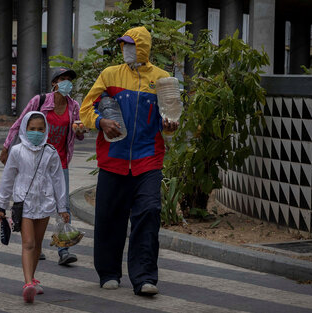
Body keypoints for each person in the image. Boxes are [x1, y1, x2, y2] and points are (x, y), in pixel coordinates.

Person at [79, 26, 178, 296]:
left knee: (149, 212)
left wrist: (170, 126)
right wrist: (101, 122)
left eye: (131, 45)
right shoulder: (109, 75)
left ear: (143, 47)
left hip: (148, 159)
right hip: (113, 159)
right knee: (109, 217)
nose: (126, 50)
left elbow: (169, 117)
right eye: (123, 45)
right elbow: (86, 108)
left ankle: (145, 277)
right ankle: (109, 273)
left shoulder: (162, 78)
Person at [0, 68, 85, 265]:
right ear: (54, 82)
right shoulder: (39, 101)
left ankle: (64, 248)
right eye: (63, 79)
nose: (67, 84)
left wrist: (80, 131)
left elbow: (78, 134)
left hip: (59, 160)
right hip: (35, 158)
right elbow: (20, 123)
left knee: (62, 203)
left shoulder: (73, 106)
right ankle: (35, 246)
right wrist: (6, 147)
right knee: (34, 200)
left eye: (70, 80)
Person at [0, 111, 70, 303]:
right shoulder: (17, 151)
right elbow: (8, 178)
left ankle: (33, 277)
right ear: (25, 130)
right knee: (28, 243)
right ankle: (28, 283)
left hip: (45, 203)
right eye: (32, 129)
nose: (36, 133)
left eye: (40, 129)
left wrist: (63, 207)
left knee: (37, 244)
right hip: (24, 203)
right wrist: (2, 205)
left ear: (46, 130)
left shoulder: (51, 152)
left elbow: (58, 180)